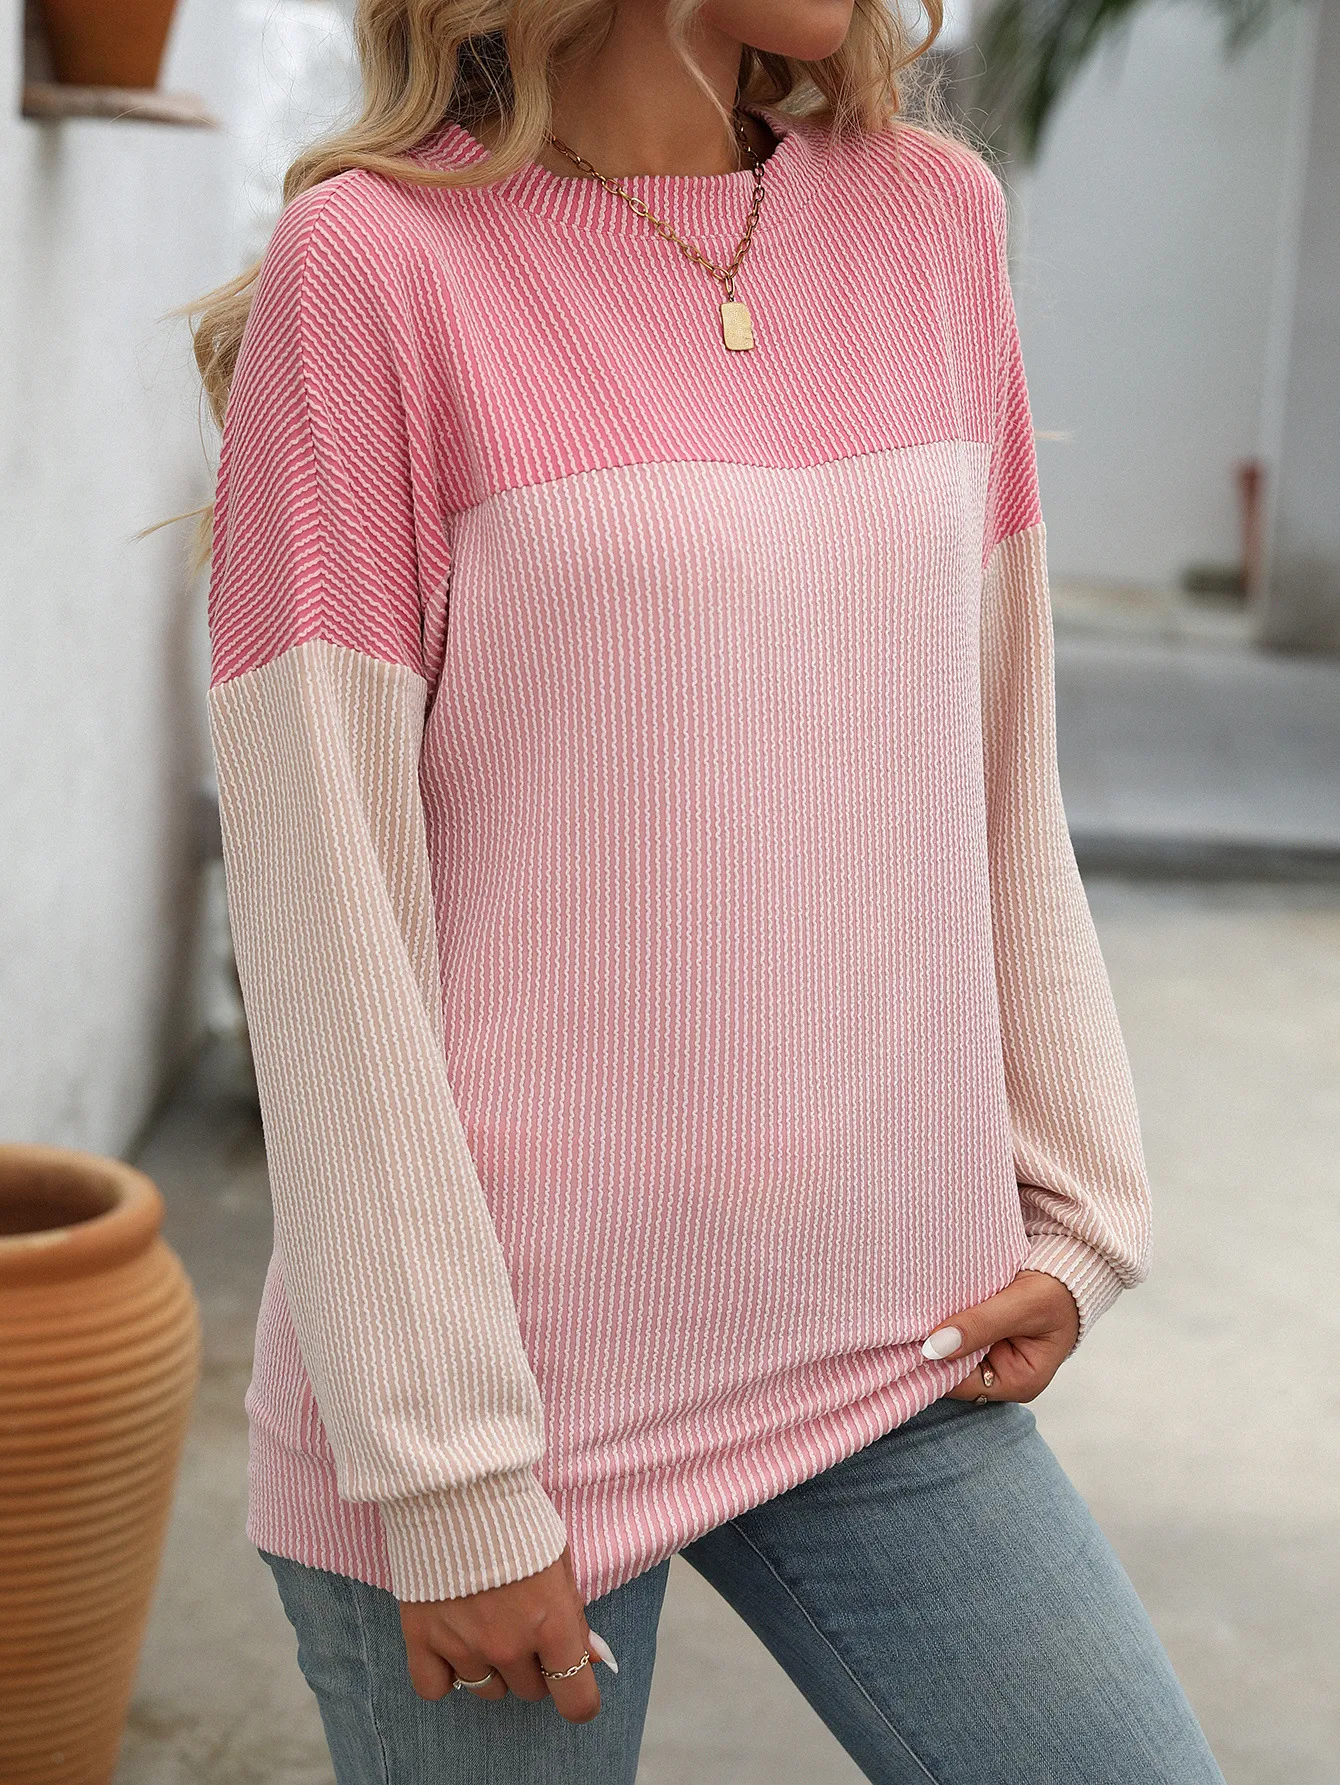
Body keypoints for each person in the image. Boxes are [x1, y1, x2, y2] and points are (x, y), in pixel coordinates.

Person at [193, 2, 1228, 1779]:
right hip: (510, 1406)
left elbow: (995, 753)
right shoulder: (376, 268)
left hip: (890, 1338)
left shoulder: (931, 222)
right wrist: (446, 1473)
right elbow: (324, 913)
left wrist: (1080, 1200)